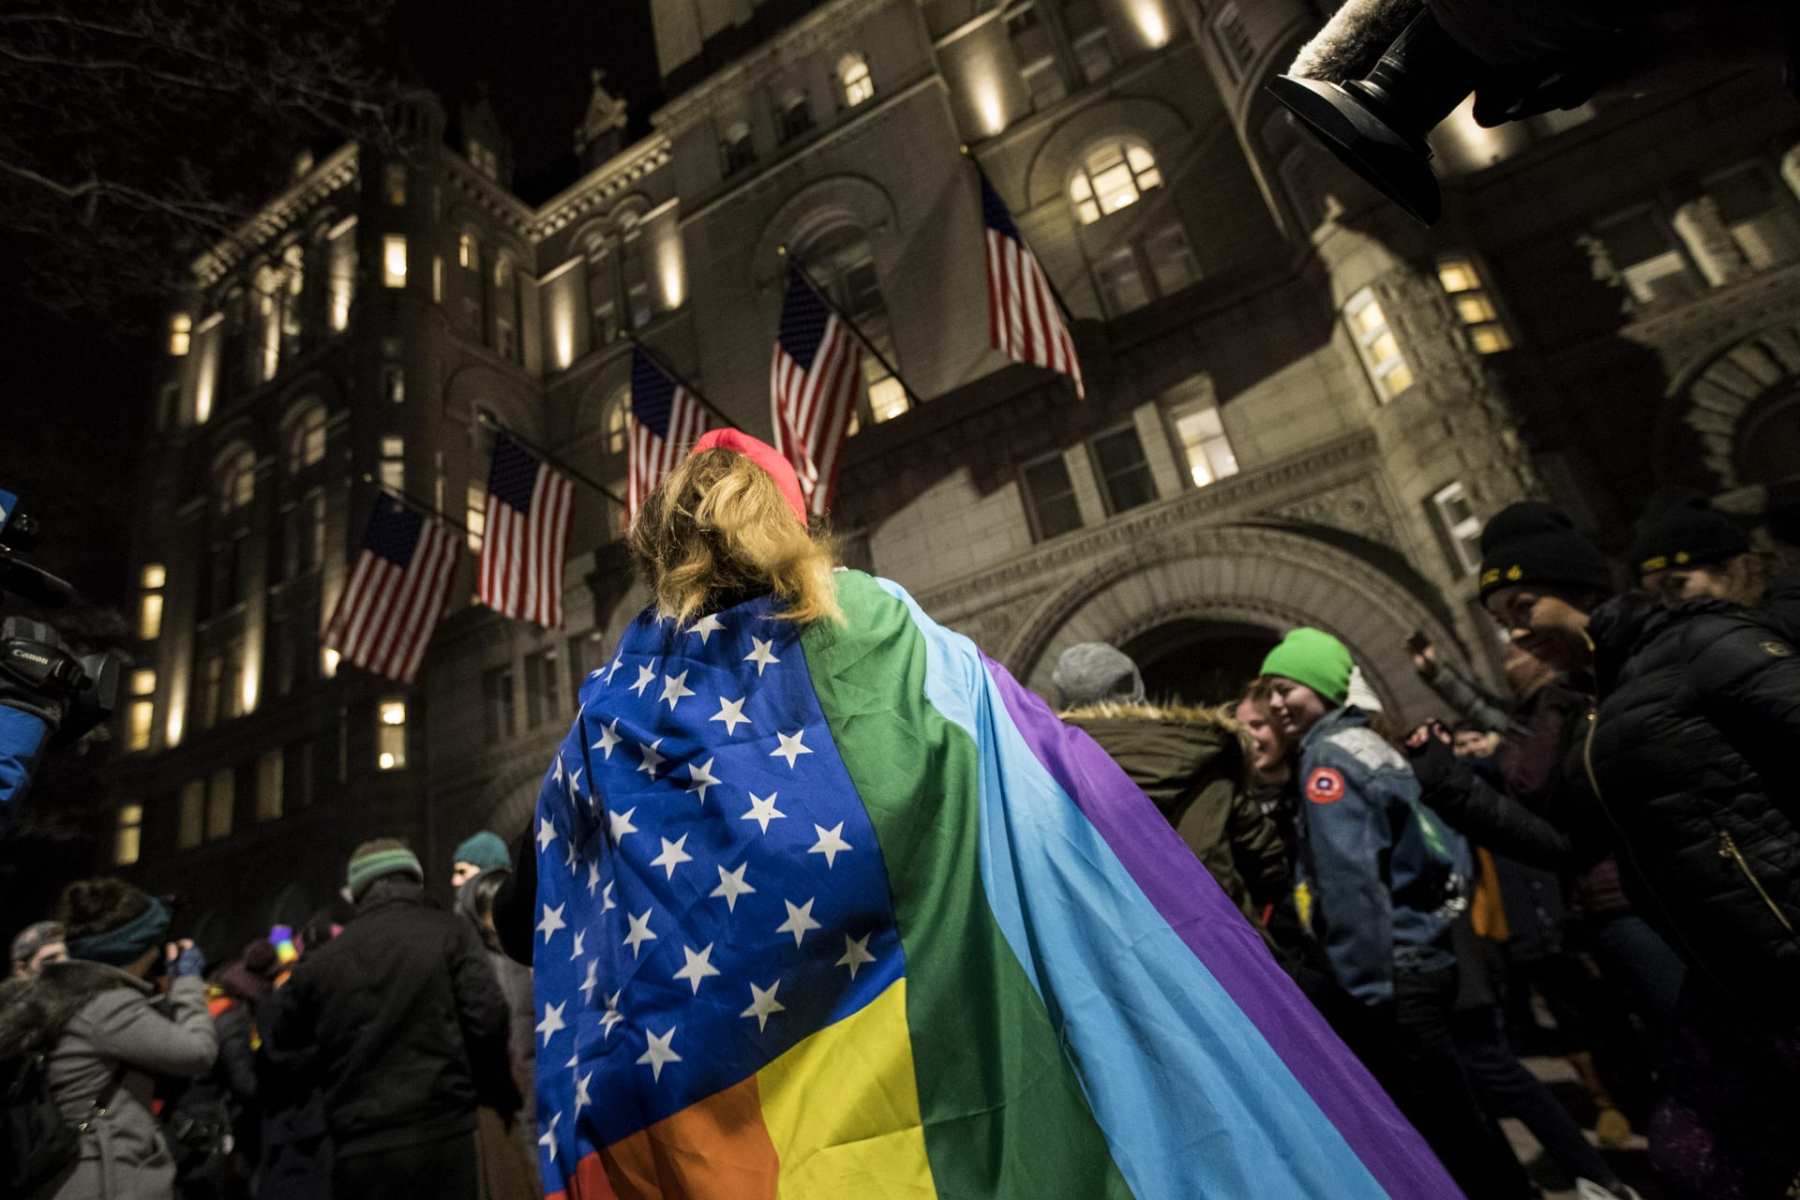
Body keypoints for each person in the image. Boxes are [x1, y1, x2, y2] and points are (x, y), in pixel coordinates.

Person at [521, 429, 1463, 1198]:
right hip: (925, 1082)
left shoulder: (606, 714)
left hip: (719, 1124)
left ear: (663, 543)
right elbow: (1039, 787)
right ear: (790, 520)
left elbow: (555, 909)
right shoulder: (876, 626)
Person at [1260, 627, 1529, 1200]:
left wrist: (1362, 988)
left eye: (1288, 688)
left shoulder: (1325, 762)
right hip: (1427, 953)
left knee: (1445, 1136)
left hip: (1391, 973)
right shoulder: (1370, 744)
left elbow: (1350, 884)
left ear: (1325, 687)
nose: (1277, 703)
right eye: (1270, 692)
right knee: (1466, 1125)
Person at [268, 839, 514, 1200]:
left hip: (360, 1143)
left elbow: (281, 1050)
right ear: (414, 879)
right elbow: (488, 1020)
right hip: (443, 1131)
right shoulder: (451, 933)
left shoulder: (321, 964)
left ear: (357, 891)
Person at [0, 878, 217, 1200]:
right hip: (110, 1177)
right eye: (154, 940)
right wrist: (187, 982)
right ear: (137, 947)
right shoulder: (106, 1004)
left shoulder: (63, 993)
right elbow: (197, 1053)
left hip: (67, 1174)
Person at [1054, 642, 1289, 927]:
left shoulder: (1047, 772)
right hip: (1212, 946)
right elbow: (1267, 862)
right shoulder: (1205, 752)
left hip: (1108, 950)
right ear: (1139, 694)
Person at [453, 868, 539, 1200]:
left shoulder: (522, 948)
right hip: (501, 1073)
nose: (491, 920)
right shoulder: (476, 958)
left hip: (536, 1061)